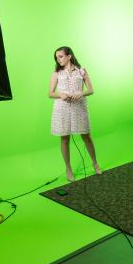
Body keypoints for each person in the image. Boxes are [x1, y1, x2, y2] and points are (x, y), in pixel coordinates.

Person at [49, 46, 101, 182]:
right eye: (56, 57)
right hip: (62, 108)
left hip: (79, 107)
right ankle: (68, 169)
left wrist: (81, 93)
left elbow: (91, 90)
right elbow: (50, 93)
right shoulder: (56, 73)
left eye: (60, 56)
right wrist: (60, 94)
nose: (58, 59)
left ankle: (95, 163)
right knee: (65, 139)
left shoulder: (81, 71)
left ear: (69, 56)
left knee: (87, 136)